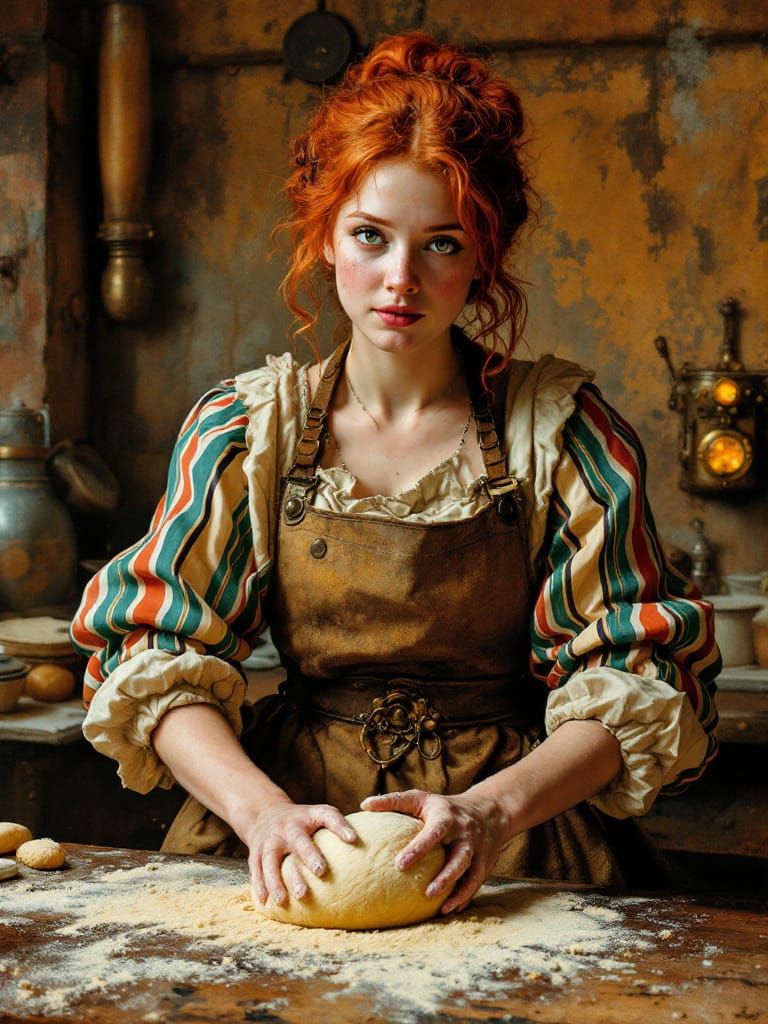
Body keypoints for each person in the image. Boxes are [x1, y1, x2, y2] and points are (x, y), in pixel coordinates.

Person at [71, 32, 719, 915]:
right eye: (370, 236)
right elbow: (153, 650)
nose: (400, 280)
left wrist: (491, 814)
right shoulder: (247, 431)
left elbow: (644, 676)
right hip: (288, 833)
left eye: (442, 244)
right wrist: (259, 812)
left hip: (513, 841)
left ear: (485, 254)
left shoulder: (560, 434)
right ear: (325, 238)